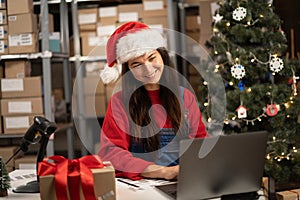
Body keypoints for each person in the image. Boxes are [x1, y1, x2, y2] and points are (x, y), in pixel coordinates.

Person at [98, 21, 208, 180]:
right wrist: (163, 172)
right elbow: (112, 153)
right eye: (137, 64)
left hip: (183, 182)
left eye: (151, 58)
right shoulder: (120, 102)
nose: (148, 69)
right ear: (129, 71)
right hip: (142, 186)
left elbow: (200, 143)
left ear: (162, 56)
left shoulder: (185, 98)